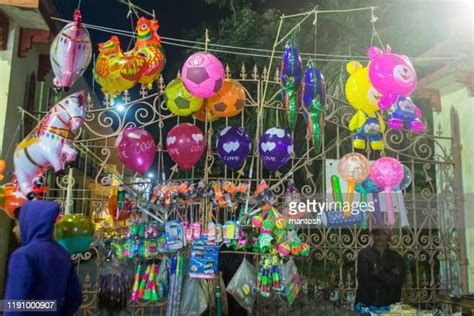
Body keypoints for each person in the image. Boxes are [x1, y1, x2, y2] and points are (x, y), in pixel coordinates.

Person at [3, 200, 83, 315]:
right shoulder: (63, 255)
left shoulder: (23, 256)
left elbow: (14, 306)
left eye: (17, 224)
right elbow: (75, 298)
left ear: (30, 224)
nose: (14, 229)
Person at [355, 228, 406, 308]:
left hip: (389, 306)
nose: (380, 237)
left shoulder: (396, 256)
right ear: (373, 236)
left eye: (384, 234)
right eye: (377, 234)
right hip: (366, 305)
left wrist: (376, 273)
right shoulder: (364, 254)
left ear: (389, 237)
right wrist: (389, 275)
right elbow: (364, 279)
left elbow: (399, 280)